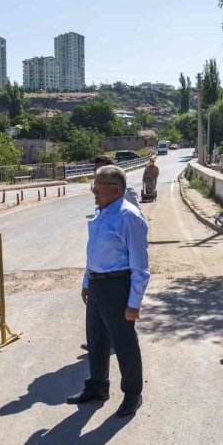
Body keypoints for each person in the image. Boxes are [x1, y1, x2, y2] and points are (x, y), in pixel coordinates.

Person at [68, 165, 150, 417]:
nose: (93, 191)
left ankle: (132, 394)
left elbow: (140, 267)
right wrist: (86, 282)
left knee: (124, 342)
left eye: (98, 187)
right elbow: (93, 250)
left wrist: (134, 302)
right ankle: (98, 386)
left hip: (117, 285)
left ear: (116, 190)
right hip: (97, 284)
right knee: (96, 339)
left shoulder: (129, 217)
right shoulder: (101, 212)